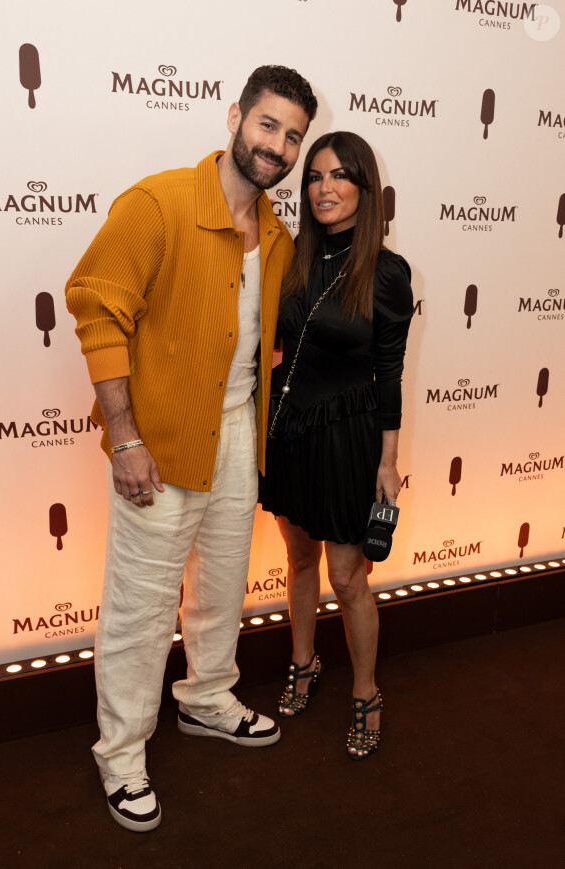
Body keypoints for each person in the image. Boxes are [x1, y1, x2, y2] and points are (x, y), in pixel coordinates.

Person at [65, 65, 317, 832]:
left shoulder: (276, 235)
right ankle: (122, 753)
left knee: (222, 584)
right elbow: (96, 311)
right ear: (236, 114)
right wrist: (126, 436)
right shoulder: (160, 202)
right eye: (268, 125)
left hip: (238, 428)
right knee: (142, 609)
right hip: (160, 434)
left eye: (294, 137)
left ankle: (206, 696)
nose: (277, 147)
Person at [260, 131, 413, 760]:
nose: (325, 187)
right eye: (316, 176)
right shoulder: (290, 257)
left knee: (348, 578)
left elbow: (390, 373)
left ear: (363, 188)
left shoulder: (386, 272)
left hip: (348, 438)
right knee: (298, 561)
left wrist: (389, 462)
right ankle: (303, 659)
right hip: (290, 431)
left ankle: (367, 690)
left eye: (340, 176)